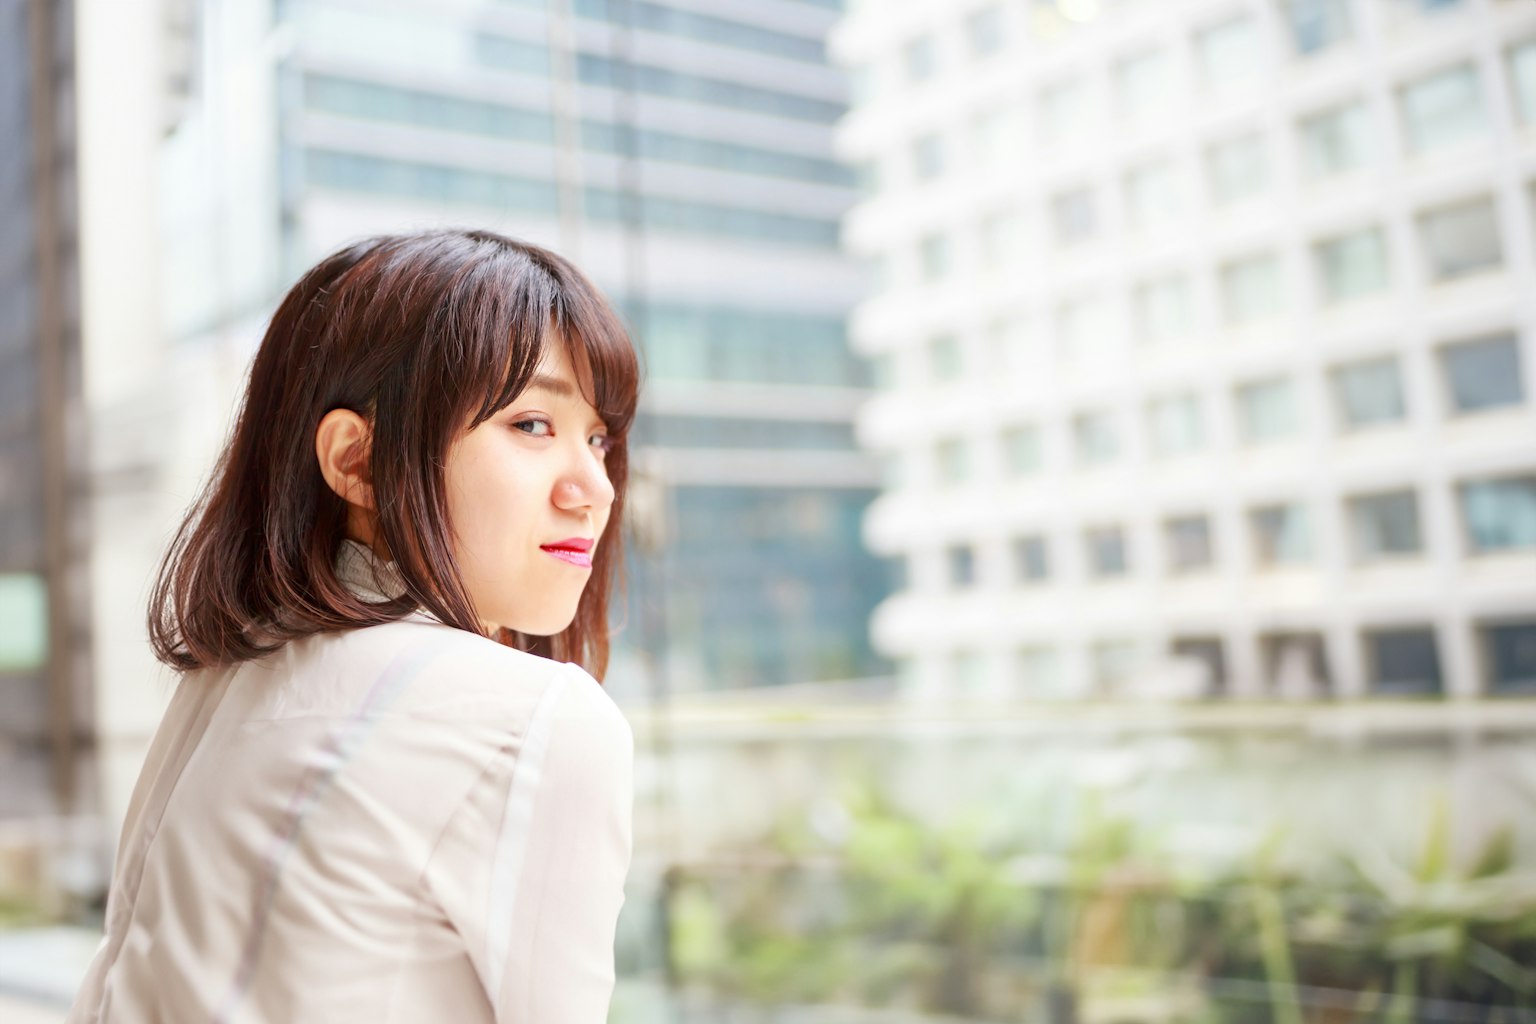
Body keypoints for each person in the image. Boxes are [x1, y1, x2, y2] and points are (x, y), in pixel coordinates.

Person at [66, 229, 642, 1023]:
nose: (594, 488)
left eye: (599, 437)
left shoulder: (224, 678)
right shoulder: (538, 721)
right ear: (357, 461)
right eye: (532, 424)